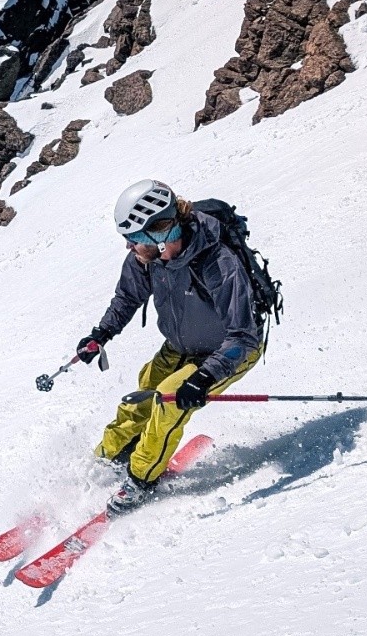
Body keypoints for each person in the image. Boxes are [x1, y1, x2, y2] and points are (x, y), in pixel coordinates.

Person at [76, 179, 264, 514]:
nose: (129, 247)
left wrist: (204, 378)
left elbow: (243, 335)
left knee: (171, 400)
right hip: (181, 344)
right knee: (143, 396)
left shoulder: (218, 262)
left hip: (227, 351)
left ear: (160, 233)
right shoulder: (146, 259)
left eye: (135, 238)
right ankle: (107, 458)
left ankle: (141, 480)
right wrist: (100, 334)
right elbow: (126, 299)